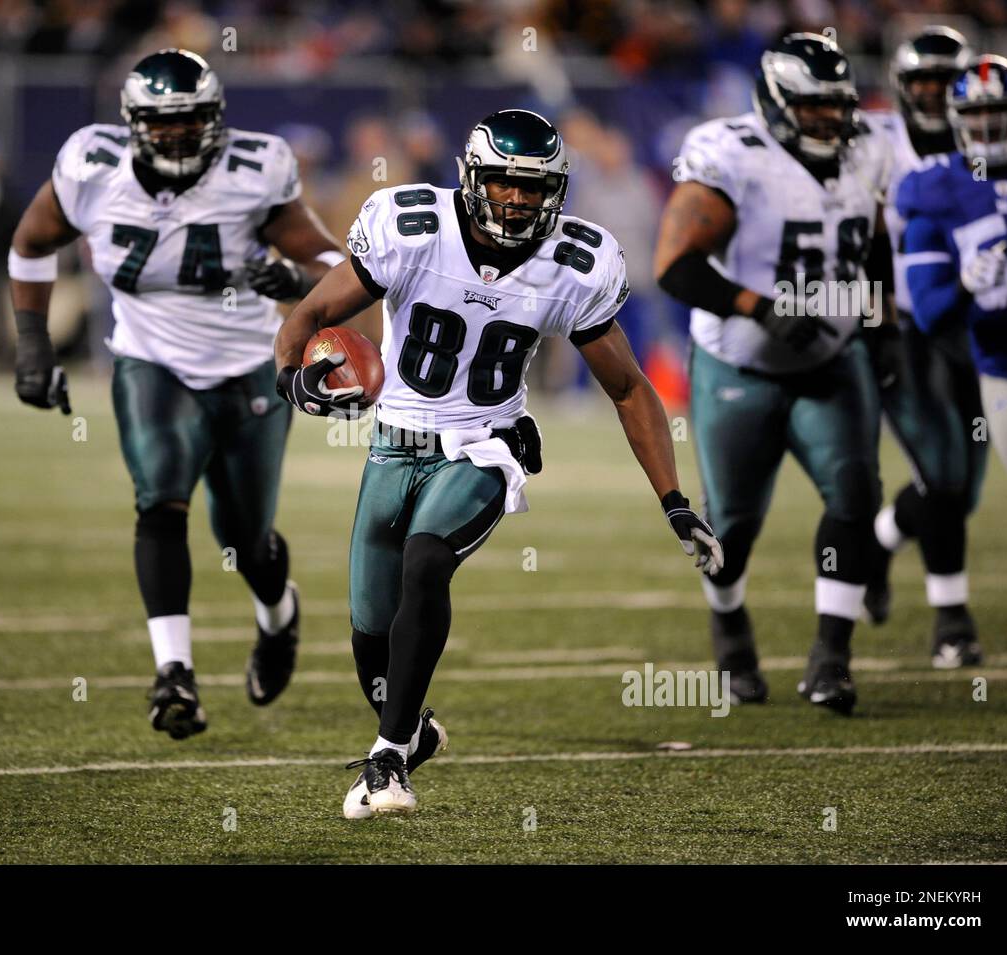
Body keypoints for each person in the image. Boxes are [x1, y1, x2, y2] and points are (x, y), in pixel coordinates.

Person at [274, 108, 721, 817]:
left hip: (487, 443)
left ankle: (387, 762)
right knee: (369, 633)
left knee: (427, 561)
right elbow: (308, 316)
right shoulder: (409, 227)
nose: (518, 198)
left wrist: (673, 499)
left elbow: (630, 387)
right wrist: (292, 378)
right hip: (396, 443)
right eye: (505, 183)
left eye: (534, 187)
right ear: (472, 177)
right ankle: (411, 729)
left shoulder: (576, 263)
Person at [7, 49, 344, 738]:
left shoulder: (253, 172)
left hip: (249, 365)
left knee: (244, 539)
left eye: (191, 121)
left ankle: (278, 616)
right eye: (161, 124)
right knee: (159, 498)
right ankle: (174, 673)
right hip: (150, 360)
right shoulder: (90, 168)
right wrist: (35, 345)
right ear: (132, 124)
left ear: (215, 119)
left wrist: (298, 284)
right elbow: (32, 243)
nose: (177, 136)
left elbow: (336, 262)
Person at [654, 33, 897, 715]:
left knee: (854, 494)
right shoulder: (733, 155)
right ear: (776, 103)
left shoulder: (867, 149)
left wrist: (881, 328)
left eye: (838, 106)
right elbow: (674, 263)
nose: (830, 121)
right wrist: (759, 307)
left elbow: (872, 240)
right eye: (813, 107)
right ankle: (730, 627)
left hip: (829, 355)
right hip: (740, 363)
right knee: (731, 526)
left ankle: (831, 659)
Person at [863, 27, 985, 668]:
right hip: (902, 328)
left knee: (962, 490)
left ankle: (881, 542)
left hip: (973, 327)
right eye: (924, 83)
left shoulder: (989, 137)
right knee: (940, 475)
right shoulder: (875, 144)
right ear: (902, 89)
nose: (935, 95)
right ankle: (952, 620)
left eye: (945, 81)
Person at [899, 55, 1007, 504]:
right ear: (956, 122)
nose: (990, 126)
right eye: (977, 116)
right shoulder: (933, 188)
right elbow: (929, 314)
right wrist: (964, 286)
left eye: (999, 113)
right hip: (1004, 374)